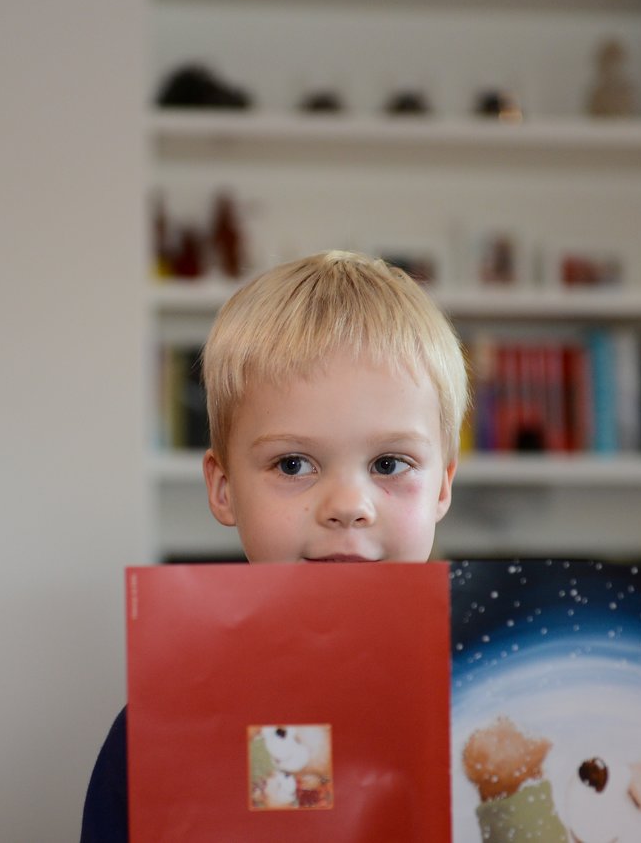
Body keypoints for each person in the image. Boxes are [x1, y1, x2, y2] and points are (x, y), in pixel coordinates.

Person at [80, 249, 470, 841]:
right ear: (224, 488)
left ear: (442, 485)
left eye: (390, 463)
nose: (348, 505)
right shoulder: (158, 738)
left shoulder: (500, 703)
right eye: (294, 463)